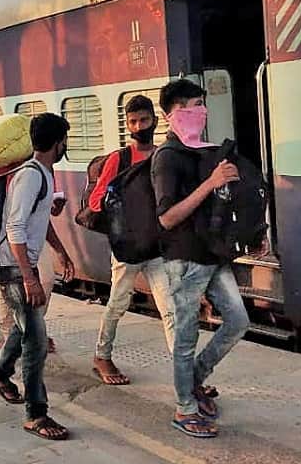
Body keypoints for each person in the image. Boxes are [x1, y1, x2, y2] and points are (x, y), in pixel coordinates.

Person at [152, 78, 259, 439]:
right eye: (186, 107)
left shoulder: (204, 151)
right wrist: (211, 183)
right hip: (184, 259)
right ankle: (184, 409)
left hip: (213, 255)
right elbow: (167, 218)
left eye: (199, 104)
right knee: (184, 337)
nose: (196, 112)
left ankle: (196, 379)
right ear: (169, 115)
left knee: (238, 321)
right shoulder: (167, 158)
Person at [0, 113, 75, 440]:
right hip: (11, 267)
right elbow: (15, 227)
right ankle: (36, 414)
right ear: (57, 142)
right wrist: (29, 277)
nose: (66, 145)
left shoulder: (44, 174)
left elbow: (39, 221)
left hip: (20, 266)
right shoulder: (31, 176)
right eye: (65, 139)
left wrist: (60, 251)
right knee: (35, 340)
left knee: (25, 328)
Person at [88, 93, 175, 385]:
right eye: (134, 121)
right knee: (117, 303)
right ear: (127, 125)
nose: (140, 126)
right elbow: (98, 199)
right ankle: (102, 356)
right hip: (127, 248)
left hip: (156, 247)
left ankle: (187, 374)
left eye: (145, 120)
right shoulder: (119, 159)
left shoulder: (164, 155)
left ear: (154, 121)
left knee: (170, 309)